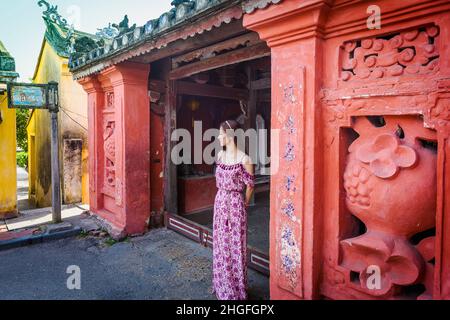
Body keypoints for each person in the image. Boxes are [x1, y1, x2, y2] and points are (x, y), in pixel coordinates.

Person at [211, 120, 255, 300]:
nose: (219, 136)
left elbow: (250, 185)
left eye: (221, 133)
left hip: (235, 205)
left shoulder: (245, 159)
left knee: (235, 245)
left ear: (230, 135)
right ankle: (222, 285)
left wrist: (243, 202)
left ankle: (235, 290)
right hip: (220, 202)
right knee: (221, 244)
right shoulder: (220, 156)